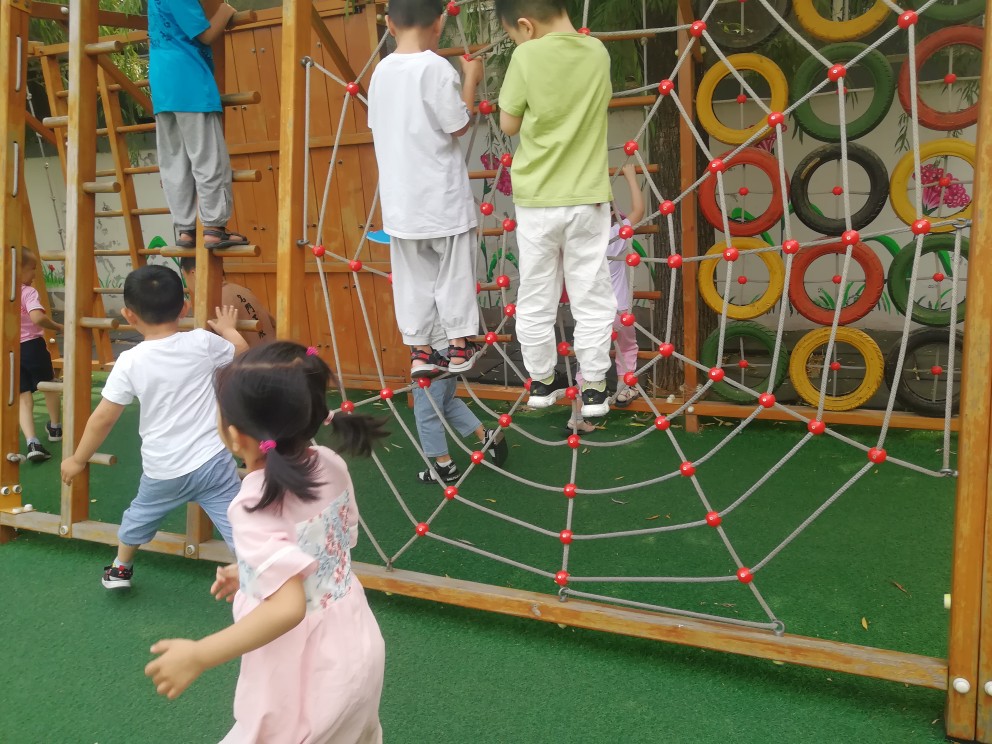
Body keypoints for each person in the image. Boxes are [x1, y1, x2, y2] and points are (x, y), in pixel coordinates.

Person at [145, 342, 388, 743]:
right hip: (356, 644)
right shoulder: (330, 463)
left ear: (235, 435)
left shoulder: (253, 504)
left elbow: (288, 608)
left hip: (303, 665)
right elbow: (327, 547)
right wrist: (253, 573)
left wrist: (200, 654)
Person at [60, 265, 248, 590]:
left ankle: (121, 568)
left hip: (164, 469)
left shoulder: (130, 361)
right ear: (184, 309)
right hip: (213, 461)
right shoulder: (203, 341)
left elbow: (103, 418)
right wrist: (229, 329)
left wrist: (78, 459)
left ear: (128, 315)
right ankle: (258, 575)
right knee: (238, 523)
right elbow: (242, 354)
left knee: (140, 516)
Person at [497, 0, 616, 419]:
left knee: (536, 292)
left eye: (514, 35)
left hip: (537, 201)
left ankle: (541, 381)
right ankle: (595, 386)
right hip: (587, 197)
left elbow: (509, 123)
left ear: (525, 26)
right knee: (592, 292)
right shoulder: (597, 52)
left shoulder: (526, 56)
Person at [368, 0, 483, 378]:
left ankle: (420, 351)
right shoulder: (436, 68)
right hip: (442, 200)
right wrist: (470, 79)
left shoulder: (381, 72)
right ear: (439, 23)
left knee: (412, 280)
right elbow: (458, 125)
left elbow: (379, 125)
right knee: (454, 274)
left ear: (389, 24)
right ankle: (458, 347)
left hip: (401, 206)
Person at [148, 0, 249, 249]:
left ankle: (185, 229)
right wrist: (225, 10)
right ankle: (214, 227)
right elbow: (205, 35)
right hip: (189, 82)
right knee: (208, 158)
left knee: (174, 161)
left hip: (162, 85)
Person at [571, 165, 646, 432]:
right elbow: (639, 210)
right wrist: (630, 177)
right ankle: (625, 389)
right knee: (627, 349)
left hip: (589, 315)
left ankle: (576, 417)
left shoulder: (577, 243)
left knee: (587, 362)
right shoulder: (614, 235)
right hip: (618, 311)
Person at [412, 337, 509, 483]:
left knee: (426, 412)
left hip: (429, 356)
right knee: (447, 402)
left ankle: (444, 465)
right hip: (449, 351)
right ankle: (485, 435)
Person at [18, 248, 62, 463]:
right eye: (32, 269)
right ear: (17, 270)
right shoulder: (27, 292)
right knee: (49, 385)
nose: (35, 274)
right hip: (32, 347)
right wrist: (58, 326)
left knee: (23, 397)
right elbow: (37, 317)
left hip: (9, 351)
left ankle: (32, 442)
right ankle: (55, 427)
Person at [180, 257, 276, 347]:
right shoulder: (242, 290)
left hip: (250, 357)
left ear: (195, 273)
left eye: (184, 276)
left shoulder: (215, 301)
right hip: (272, 352)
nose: (186, 283)